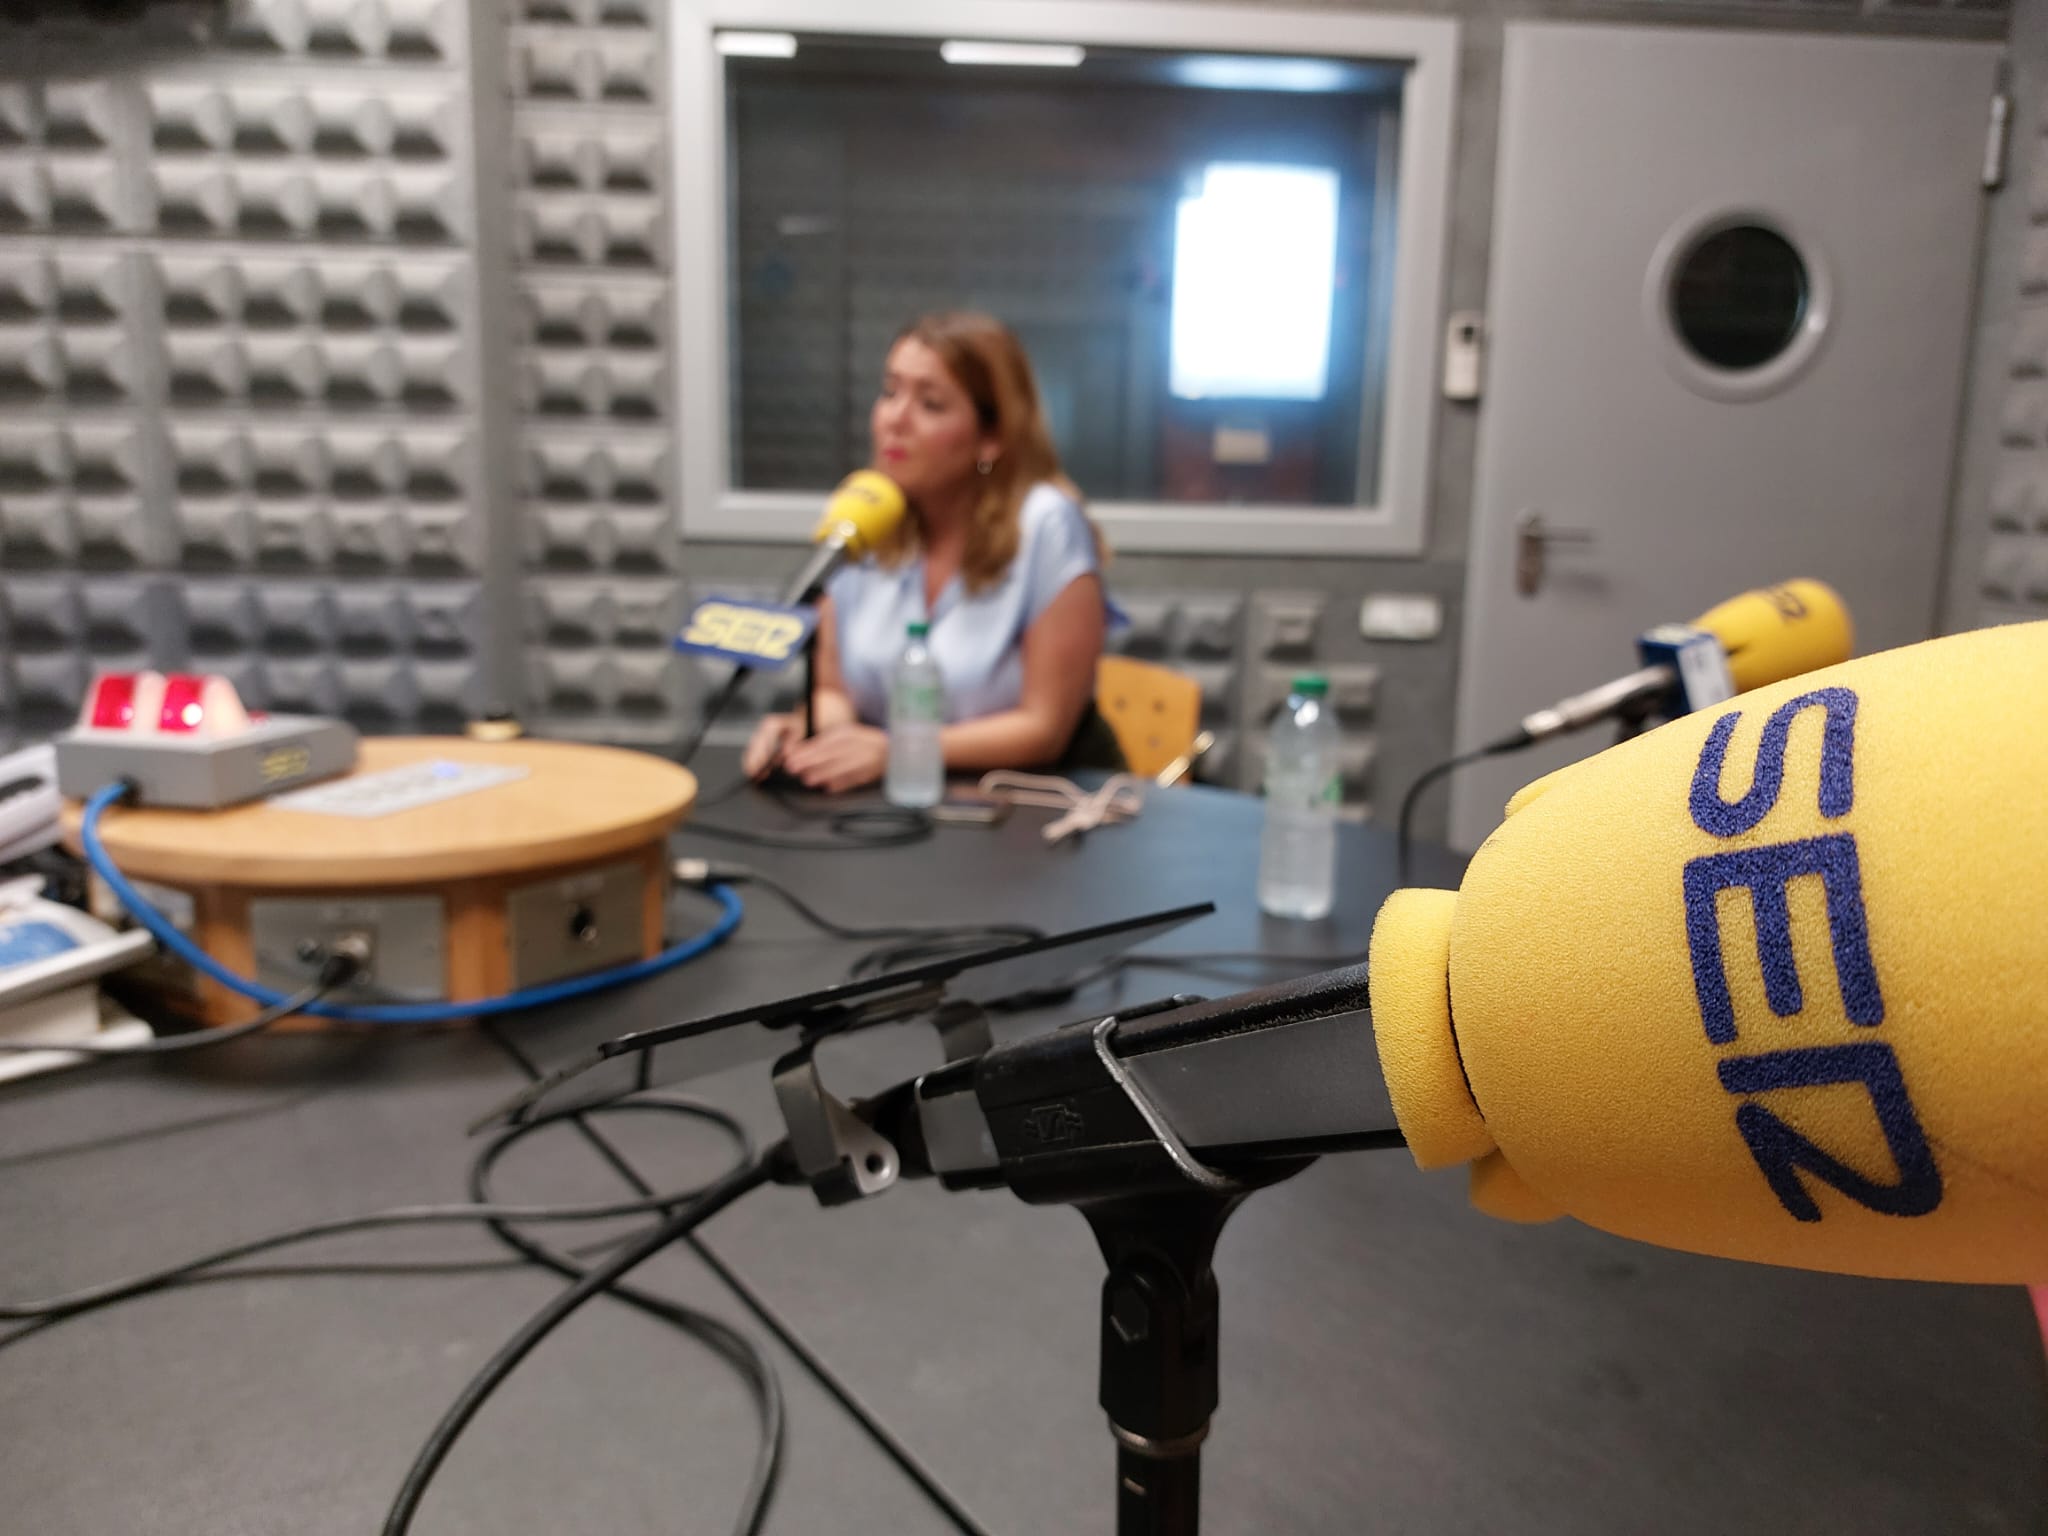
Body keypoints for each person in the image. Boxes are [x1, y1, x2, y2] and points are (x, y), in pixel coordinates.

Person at [741, 311, 1120, 793]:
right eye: (890, 391)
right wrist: (807, 731)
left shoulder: (1047, 526)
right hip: (896, 807)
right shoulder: (863, 518)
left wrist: (898, 751)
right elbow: (836, 692)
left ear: (992, 437)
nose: (895, 419)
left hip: (1032, 814)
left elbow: (1044, 728)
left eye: (931, 404)